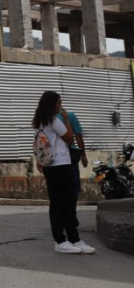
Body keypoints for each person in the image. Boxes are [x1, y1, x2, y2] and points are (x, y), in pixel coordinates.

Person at [32, 90, 93, 254]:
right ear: (52, 105)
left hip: (50, 166)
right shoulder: (54, 121)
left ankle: (72, 239)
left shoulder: (40, 122)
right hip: (60, 164)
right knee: (66, 203)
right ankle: (63, 240)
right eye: (59, 102)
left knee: (59, 203)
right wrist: (66, 120)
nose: (61, 106)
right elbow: (70, 139)